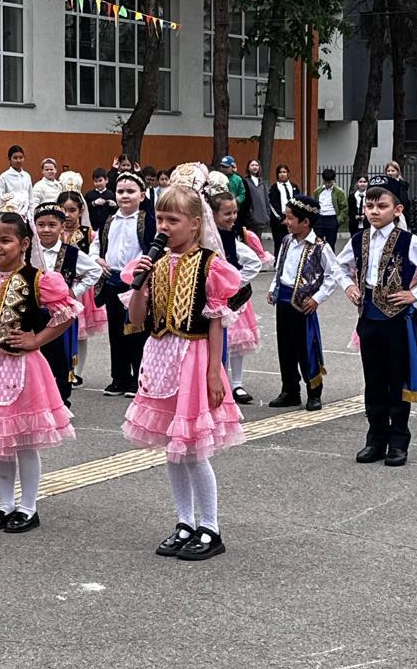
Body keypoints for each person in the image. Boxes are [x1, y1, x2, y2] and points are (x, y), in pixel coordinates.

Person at [121, 163, 244, 562]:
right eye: (160, 218)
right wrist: (139, 285)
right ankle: (184, 521)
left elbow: (216, 321)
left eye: (172, 220)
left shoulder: (210, 264)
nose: (164, 227)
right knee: (173, 449)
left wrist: (214, 372)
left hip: (193, 358)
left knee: (194, 449)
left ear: (194, 223)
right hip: (160, 358)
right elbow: (136, 319)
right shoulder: (153, 263)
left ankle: (210, 526)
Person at [0, 209, 79, 534]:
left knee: (23, 442)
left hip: (24, 368)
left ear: (24, 243)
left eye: (5, 241)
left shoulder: (39, 280)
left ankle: (28, 506)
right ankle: (5, 503)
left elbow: (67, 314)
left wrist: (36, 339)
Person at [339, 175, 417, 466]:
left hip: (396, 321)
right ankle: (375, 438)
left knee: (396, 382)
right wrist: (349, 286)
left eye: (382, 206)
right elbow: (338, 267)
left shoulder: (408, 241)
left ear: (397, 210)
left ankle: (398, 441)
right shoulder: (358, 240)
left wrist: (415, 294)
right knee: (373, 380)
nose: (374, 211)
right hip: (368, 319)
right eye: (369, 206)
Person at [268, 195, 347, 411]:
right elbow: (280, 267)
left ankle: (314, 392)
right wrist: (273, 288)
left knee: (307, 349)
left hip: (304, 305)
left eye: (290, 218)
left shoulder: (320, 247)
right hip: (284, 301)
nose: (286, 222)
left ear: (305, 222)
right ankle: (290, 390)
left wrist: (317, 298)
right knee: (285, 348)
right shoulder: (286, 241)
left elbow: (333, 276)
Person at [90, 170, 156, 397]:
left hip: (136, 283)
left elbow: (154, 249)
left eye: (130, 191)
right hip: (113, 280)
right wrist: (97, 259)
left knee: (137, 331)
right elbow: (96, 244)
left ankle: (139, 378)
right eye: (120, 191)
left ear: (142, 195)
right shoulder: (109, 220)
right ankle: (119, 378)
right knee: (116, 332)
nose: (125, 196)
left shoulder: (148, 220)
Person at [32, 201, 101, 408]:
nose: (46, 230)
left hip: (60, 315)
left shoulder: (71, 253)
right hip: (33, 312)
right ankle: (37, 399)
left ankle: (61, 400)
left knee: (60, 357)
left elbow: (95, 271)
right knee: (35, 355)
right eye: (41, 225)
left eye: (52, 225)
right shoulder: (29, 251)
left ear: (62, 227)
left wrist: (74, 292)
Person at [209, 191, 268, 405]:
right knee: (217, 342)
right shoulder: (208, 237)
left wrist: (234, 283)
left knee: (236, 341)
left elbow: (253, 262)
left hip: (235, 299)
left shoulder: (237, 235)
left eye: (234, 212)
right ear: (213, 214)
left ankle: (237, 383)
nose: (232, 217)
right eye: (227, 213)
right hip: (213, 299)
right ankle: (220, 379)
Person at [59, 187, 106, 385]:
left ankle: (77, 371)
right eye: (63, 210)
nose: (67, 215)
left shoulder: (88, 234)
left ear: (81, 211)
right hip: (58, 287)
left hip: (79, 289)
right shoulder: (54, 232)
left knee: (80, 333)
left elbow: (93, 258)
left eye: (72, 210)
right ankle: (61, 367)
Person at [314, 168, 348, 249]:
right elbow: (315, 204)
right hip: (320, 219)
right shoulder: (318, 191)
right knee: (317, 244)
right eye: (326, 182)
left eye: (330, 182)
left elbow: (344, 208)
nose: (328, 184)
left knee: (330, 244)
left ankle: (330, 257)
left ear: (334, 180)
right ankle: (318, 257)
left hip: (332, 218)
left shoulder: (339, 192)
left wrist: (338, 220)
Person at [268, 165, 299, 251]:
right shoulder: (274, 187)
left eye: (284, 172)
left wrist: (294, 217)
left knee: (293, 245)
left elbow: (298, 202)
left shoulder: (294, 186)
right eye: (280, 172)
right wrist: (282, 219)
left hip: (293, 220)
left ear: (288, 173)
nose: (282, 174)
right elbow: (273, 205)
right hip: (280, 222)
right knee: (279, 246)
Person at [0, 145, 33, 214]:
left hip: (26, 213)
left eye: (21, 157)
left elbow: (31, 198)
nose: (18, 160)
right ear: (9, 159)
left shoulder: (27, 176)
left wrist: (32, 214)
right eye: (15, 158)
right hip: (11, 212)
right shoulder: (4, 177)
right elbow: (1, 199)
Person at [241, 159, 270, 238]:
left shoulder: (262, 183)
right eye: (252, 165)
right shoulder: (245, 181)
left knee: (258, 240)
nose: (255, 167)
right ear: (248, 168)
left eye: (256, 165)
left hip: (261, 218)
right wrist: (250, 214)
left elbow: (266, 200)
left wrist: (267, 214)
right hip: (250, 219)